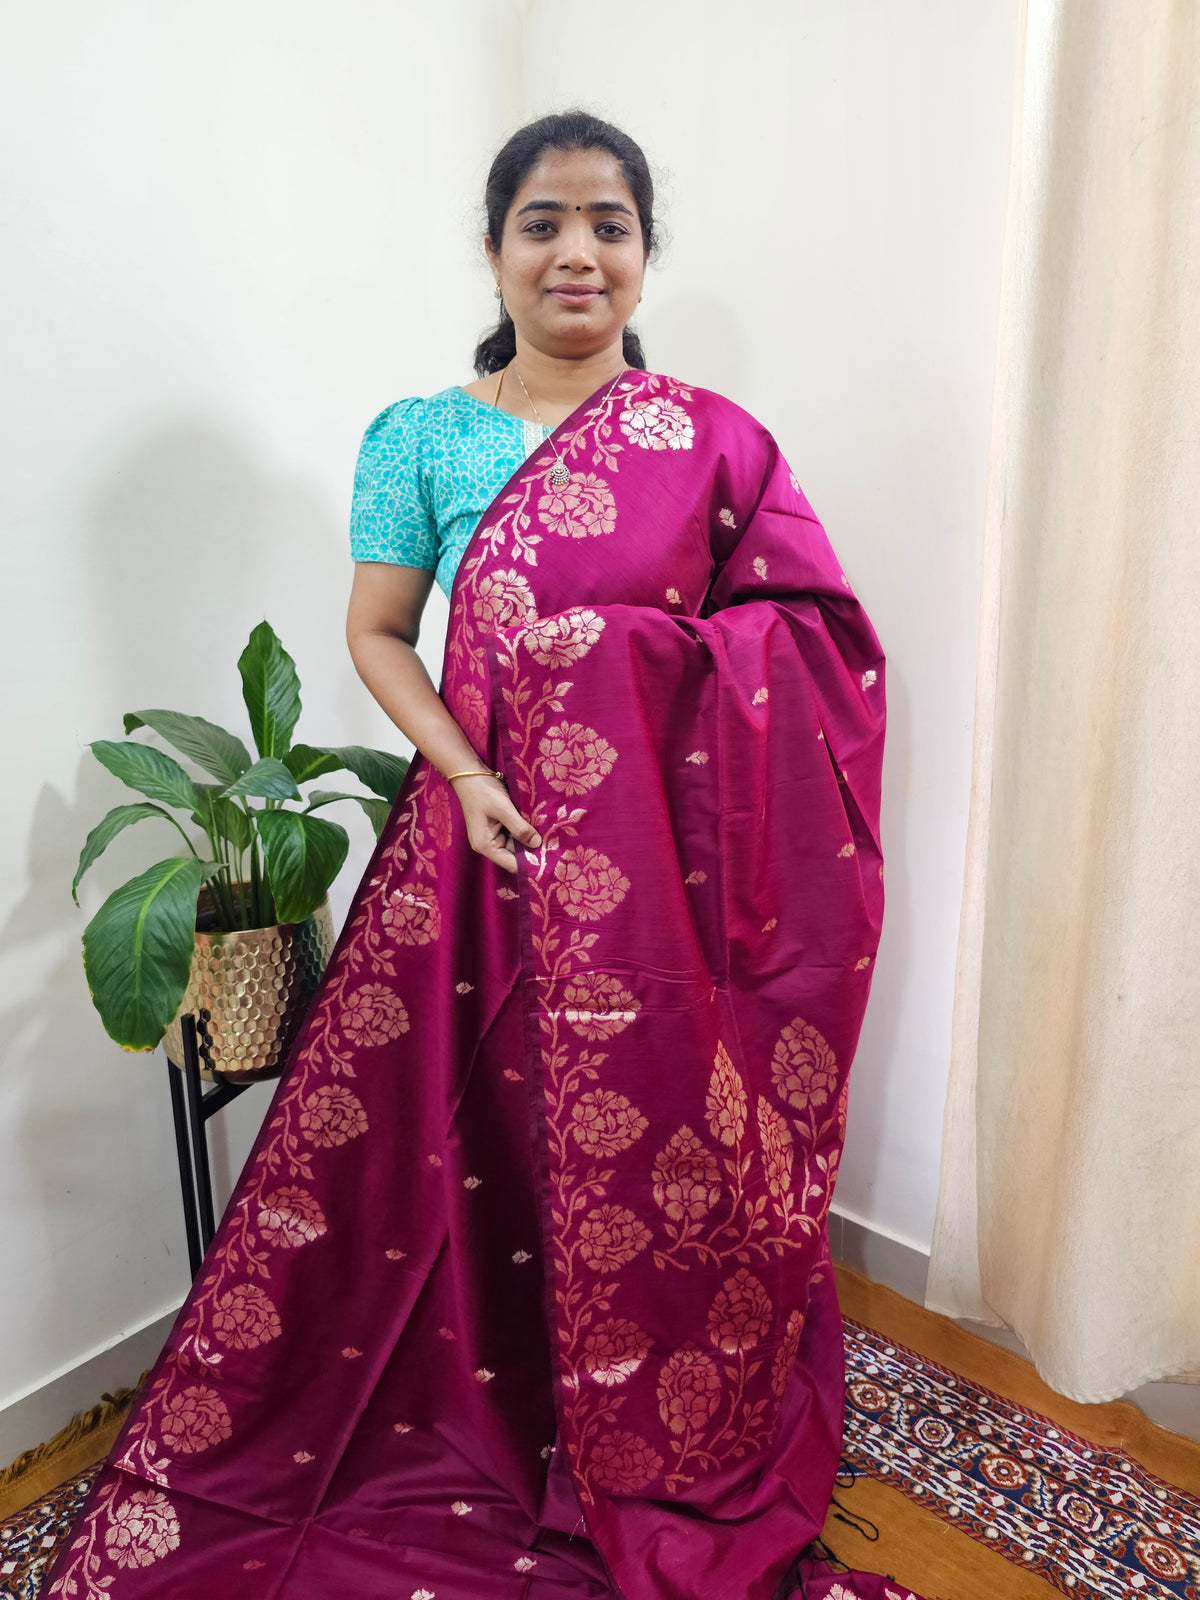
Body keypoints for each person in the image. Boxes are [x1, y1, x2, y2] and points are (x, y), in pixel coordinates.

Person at [44, 112, 923, 1600]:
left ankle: (646, 1422)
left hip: (655, 898)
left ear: (645, 255)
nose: (578, 251)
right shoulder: (420, 438)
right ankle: (471, 1409)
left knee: (658, 1154)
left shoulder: (716, 444)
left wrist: (628, 655)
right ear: (497, 247)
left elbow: (816, 650)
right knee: (452, 1158)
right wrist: (462, 770)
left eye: (610, 223)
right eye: (543, 221)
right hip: (473, 856)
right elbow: (380, 634)